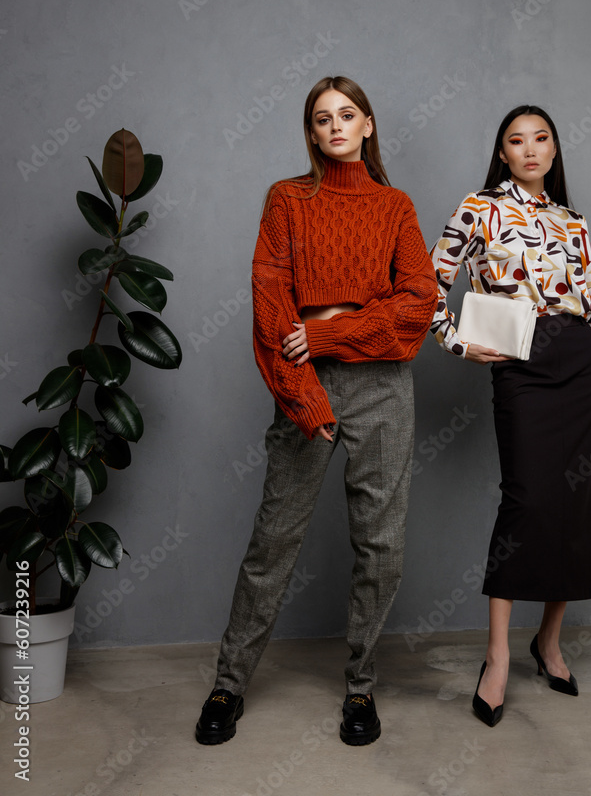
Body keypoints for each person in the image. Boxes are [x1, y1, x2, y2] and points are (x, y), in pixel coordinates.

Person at [196, 75, 438, 747]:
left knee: (380, 547)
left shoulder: (394, 206)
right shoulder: (288, 200)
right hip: (307, 380)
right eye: (322, 118)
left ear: (367, 125)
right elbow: (269, 298)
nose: (335, 126)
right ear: (310, 132)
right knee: (273, 541)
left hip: (383, 385)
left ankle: (360, 689)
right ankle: (229, 683)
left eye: (347, 115)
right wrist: (304, 396)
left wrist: (333, 331)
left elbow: (417, 303)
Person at [430, 104, 591, 727]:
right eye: (518, 141)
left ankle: (549, 642)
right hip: (520, 360)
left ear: (555, 149)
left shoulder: (573, 222)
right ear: (504, 152)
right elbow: (427, 287)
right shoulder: (479, 207)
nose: (531, 149)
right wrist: (458, 341)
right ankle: (497, 657)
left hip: (579, 361)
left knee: (573, 502)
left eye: (542, 139)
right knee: (527, 499)